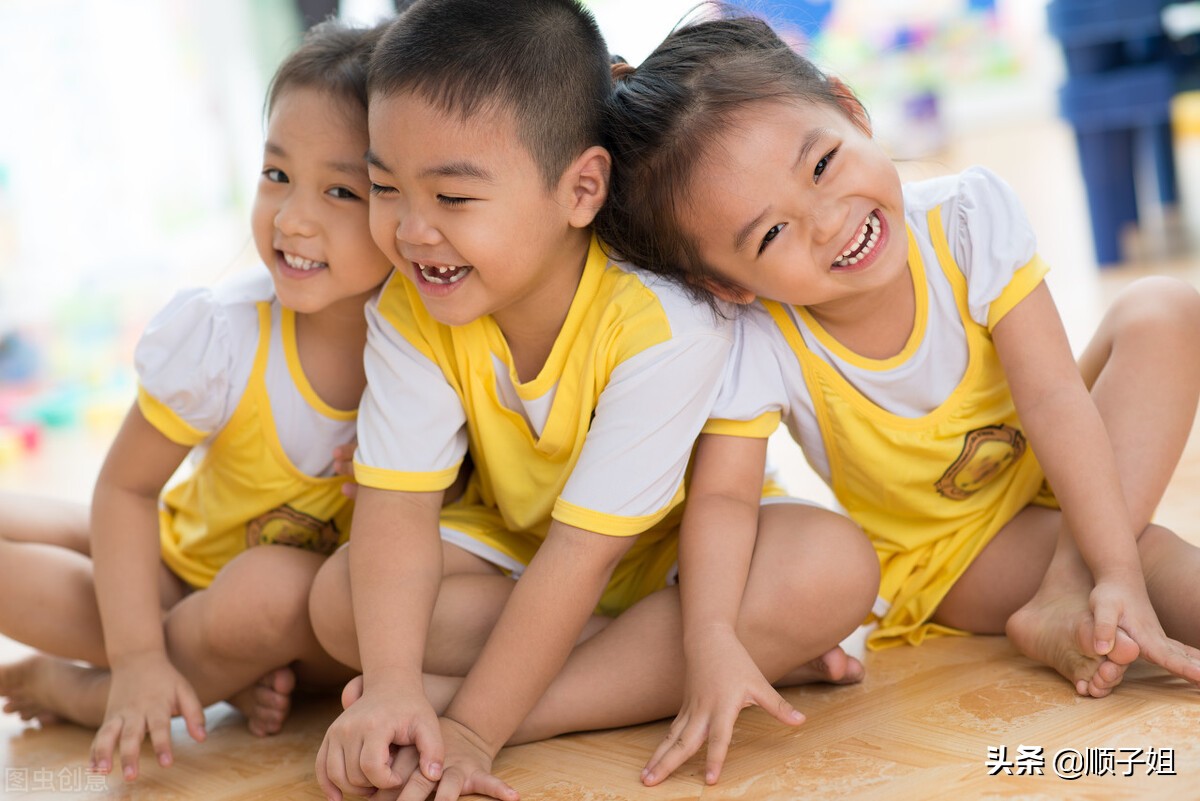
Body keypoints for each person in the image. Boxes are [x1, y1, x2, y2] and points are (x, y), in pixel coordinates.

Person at [307, 1, 879, 799]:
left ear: (581, 189)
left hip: (682, 568)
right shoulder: (411, 309)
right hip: (521, 553)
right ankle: (669, 666)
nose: (411, 231)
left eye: (454, 199)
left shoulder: (664, 323)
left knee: (832, 566)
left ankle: (541, 698)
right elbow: (397, 512)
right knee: (342, 601)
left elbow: (586, 553)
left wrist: (472, 731)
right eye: (383, 187)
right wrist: (396, 684)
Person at [595, 9, 1200, 730]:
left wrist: (1111, 571)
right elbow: (725, 500)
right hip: (956, 554)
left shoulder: (967, 217)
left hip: (1072, 468)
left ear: (850, 107)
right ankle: (1076, 579)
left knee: (1164, 309)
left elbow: (1054, 396)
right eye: (773, 233)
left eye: (821, 164)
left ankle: (1071, 582)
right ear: (729, 284)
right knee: (1164, 565)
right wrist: (713, 638)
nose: (827, 221)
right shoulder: (760, 335)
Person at [0, 19, 393, 783]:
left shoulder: (436, 350)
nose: (292, 218)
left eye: (340, 189)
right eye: (276, 174)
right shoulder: (224, 335)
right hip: (178, 572)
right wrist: (140, 654)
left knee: (265, 597)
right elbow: (126, 485)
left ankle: (80, 689)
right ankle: (175, 671)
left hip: (300, 619)